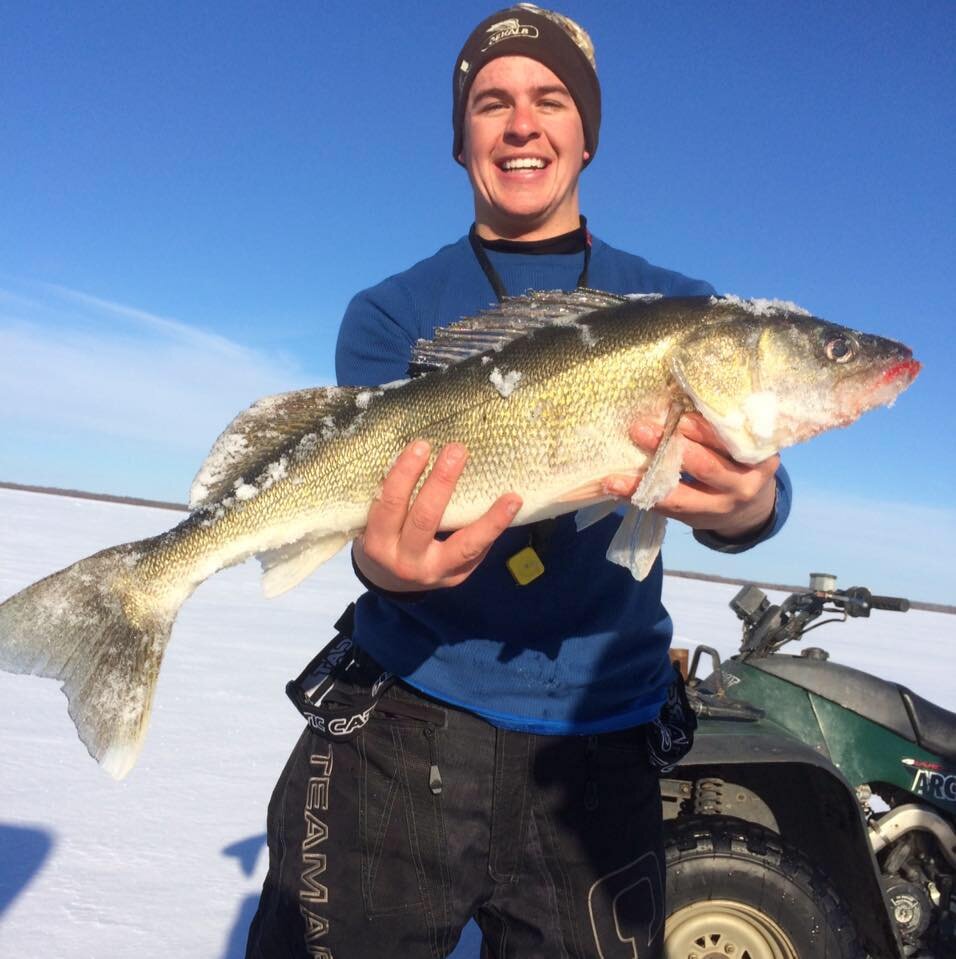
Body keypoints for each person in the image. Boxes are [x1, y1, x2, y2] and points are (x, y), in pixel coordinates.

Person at [245, 6, 791, 958]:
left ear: (586, 132)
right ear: (462, 141)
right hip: (400, 720)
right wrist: (386, 567)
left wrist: (754, 508)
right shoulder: (391, 314)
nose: (522, 123)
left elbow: (754, 476)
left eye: (550, 100)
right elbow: (368, 511)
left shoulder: (685, 315)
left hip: (599, 743)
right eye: (491, 103)